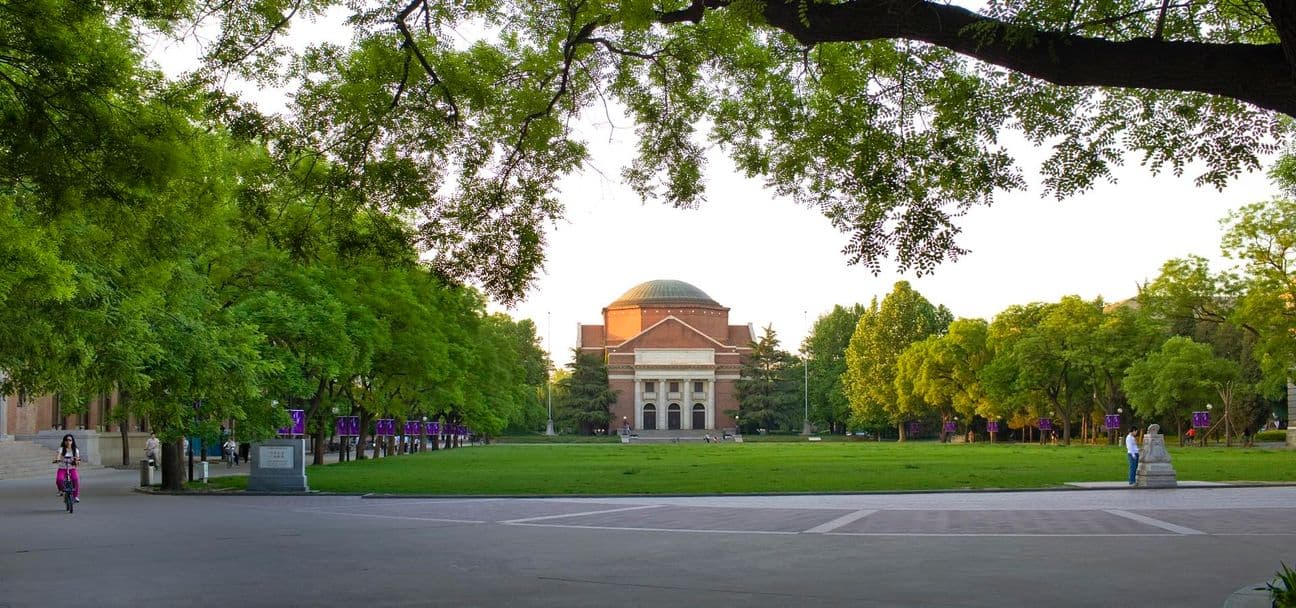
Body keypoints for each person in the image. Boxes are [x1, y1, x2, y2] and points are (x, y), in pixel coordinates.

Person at [52, 433, 81, 502]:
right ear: (64, 441)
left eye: (70, 440)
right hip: (62, 468)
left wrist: (77, 461)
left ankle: (75, 496)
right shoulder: (61, 449)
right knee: (59, 479)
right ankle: (61, 490)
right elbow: (58, 456)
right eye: (66, 440)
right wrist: (57, 459)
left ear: (72, 441)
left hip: (72, 468)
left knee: (75, 479)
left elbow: (78, 459)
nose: (68, 442)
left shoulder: (75, 450)